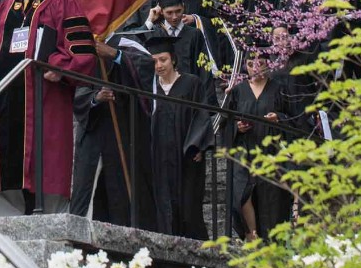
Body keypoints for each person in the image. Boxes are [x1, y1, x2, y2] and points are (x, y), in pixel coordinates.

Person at [0, 0, 97, 215]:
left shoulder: (62, 2)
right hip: (5, 105)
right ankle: (8, 232)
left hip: (46, 101)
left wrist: (60, 68)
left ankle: (54, 226)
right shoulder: (6, 8)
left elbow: (82, 51)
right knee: (5, 175)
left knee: (47, 167)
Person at [70, 38, 156, 230]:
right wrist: (95, 97)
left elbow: (147, 67)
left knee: (122, 190)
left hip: (123, 130)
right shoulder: (83, 50)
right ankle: (80, 235)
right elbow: (75, 89)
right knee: (87, 187)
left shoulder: (126, 44)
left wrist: (115, 55)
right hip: (93, 132)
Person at [144, 34, 215, 240]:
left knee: (189, 207)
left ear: (173, 59)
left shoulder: (191, 84)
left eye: (163, 59)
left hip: (186, 157)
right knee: (163, 204)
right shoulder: (150, 89)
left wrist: (198, 146)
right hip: (158, 158)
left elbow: (202, 117)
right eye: (154, 61)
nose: (159, 65)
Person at [222, 51, 293, 240]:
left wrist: (278, 118)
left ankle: (271, 241)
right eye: (251, 64)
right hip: (245, 150)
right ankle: (251, 235)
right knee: (241, 194)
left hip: (271, 151)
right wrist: (237, 127)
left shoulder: (279, 88)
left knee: (271, 198)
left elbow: (292, 118)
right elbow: (225, 121)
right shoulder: (238, 91)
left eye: (260, 63)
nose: (255, 67)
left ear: (267, 64)